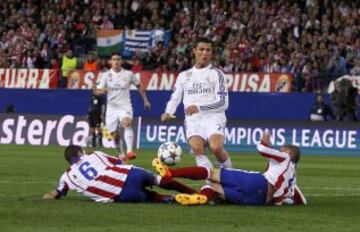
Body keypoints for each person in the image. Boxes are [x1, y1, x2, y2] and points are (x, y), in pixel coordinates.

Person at [152, 131, 307, 206]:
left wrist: (265, 141)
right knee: (215, 188)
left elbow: (261, 148)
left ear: (289, 152)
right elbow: (302, 200)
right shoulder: (292, 177)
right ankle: (202, 198)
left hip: (259, 183)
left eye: (282, 148)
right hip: (259, 201)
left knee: (211, 174)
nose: (280, 150)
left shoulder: (285, 157)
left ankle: (170, 172)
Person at [161, 37, 231, 170]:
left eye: (208, 50)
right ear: (194, 51)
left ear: (211, 53)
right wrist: (169, 112)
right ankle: (212, 182)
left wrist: (199, 107)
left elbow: (224, 103)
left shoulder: (217, 74)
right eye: (201, 49)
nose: (204, 53)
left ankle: (231, 175)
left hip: (213, 116)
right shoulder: (184, 76)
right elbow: (175, 97)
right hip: (193, 119)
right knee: (197, 148)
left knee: (216, 147)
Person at [43, 145, 197, 203]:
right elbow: (119, 162)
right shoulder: (93, 154)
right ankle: (194, 192)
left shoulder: (67, 176)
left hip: (121, 194)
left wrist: (44, 197)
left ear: (70, 161)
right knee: (159, 180)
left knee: (151, 197)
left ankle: (173, 199)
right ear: (80, 152)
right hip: (130, 173)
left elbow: (55, 194)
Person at [95, 53, 151, 160]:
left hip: (125, 106)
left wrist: (146, 101)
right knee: (115, 136)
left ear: (121, 62)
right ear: (110, 62)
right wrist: (102, 91)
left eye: (118, 59)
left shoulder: (129, 74)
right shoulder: (106, 75)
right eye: (114, 59)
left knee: (127, 123)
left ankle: (130, 151)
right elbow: (98, 90)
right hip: (112, 108)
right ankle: (121, 154)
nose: (116, 62)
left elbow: (139, 86)